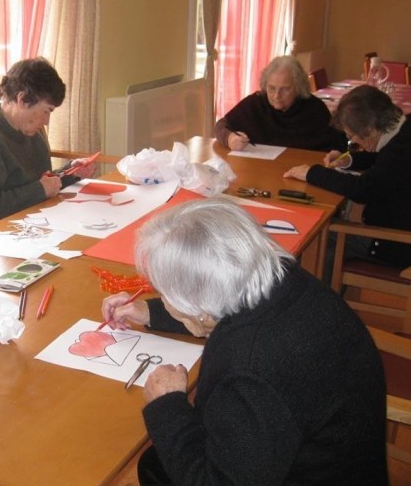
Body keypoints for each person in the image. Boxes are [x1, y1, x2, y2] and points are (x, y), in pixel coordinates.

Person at [101, 198, 387, 484]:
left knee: (157, 461)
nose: (163, 299)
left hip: (304, 471)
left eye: (164, 294)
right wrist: (150, 312)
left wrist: (166, 405)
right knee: (157, 461)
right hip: (329, 456)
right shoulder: (284, 281)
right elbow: (224, 305)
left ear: (198, 306)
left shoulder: (250, 370)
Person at [0, 57, 96, 231]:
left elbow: (38, 184)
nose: (46, 121)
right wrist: (40, 190)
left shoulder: (28, 131)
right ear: (22, 99)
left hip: (34, 224)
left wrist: (71, 173)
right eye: (46, 111)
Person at [284, 84, 411, 270]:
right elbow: (385, 162)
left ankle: (322, 298)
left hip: (395, 241)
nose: (355, 142)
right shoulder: (403, 131)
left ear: (371, 130)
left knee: (319, 237)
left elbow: (363, 189)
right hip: (400, 226)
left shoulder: (399, 152)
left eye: (353, 136)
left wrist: (312, 173)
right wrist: (350, 159)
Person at [215, 55, 346, 151]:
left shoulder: (315, 109)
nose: (276, 96)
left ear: (298, 87)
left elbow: (338, 145)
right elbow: (221, 125)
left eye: (285, 89)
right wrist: (229, 138)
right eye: (271, 88)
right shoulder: (256, 103)